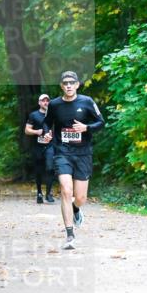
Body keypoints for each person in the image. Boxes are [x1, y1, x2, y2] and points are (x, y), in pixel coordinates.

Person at [42, 71, 104, 249]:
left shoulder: (87, 102)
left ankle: (76, 209)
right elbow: (47, 122)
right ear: (61, 86)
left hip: (83, 153)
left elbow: (101, 122)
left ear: (77, 85)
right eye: (65, 83)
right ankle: (70, 235)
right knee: (66, 191)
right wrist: (47, 132)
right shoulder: (54, 105)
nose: (68, 85)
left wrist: (86, 128)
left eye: (72, 83)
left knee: (81, 197)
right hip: (62, 152)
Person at [24, 94, 55, 204]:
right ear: (39, 102)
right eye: (43, 100)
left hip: (50, 146)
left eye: (47, 100)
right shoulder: (34, 115)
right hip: (38, 146)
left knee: (50, 168)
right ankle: (39, 193)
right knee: (38, 170)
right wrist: (36, 132)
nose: (45, 102)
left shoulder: (54, 115)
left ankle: (49, 193)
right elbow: (27, 130)